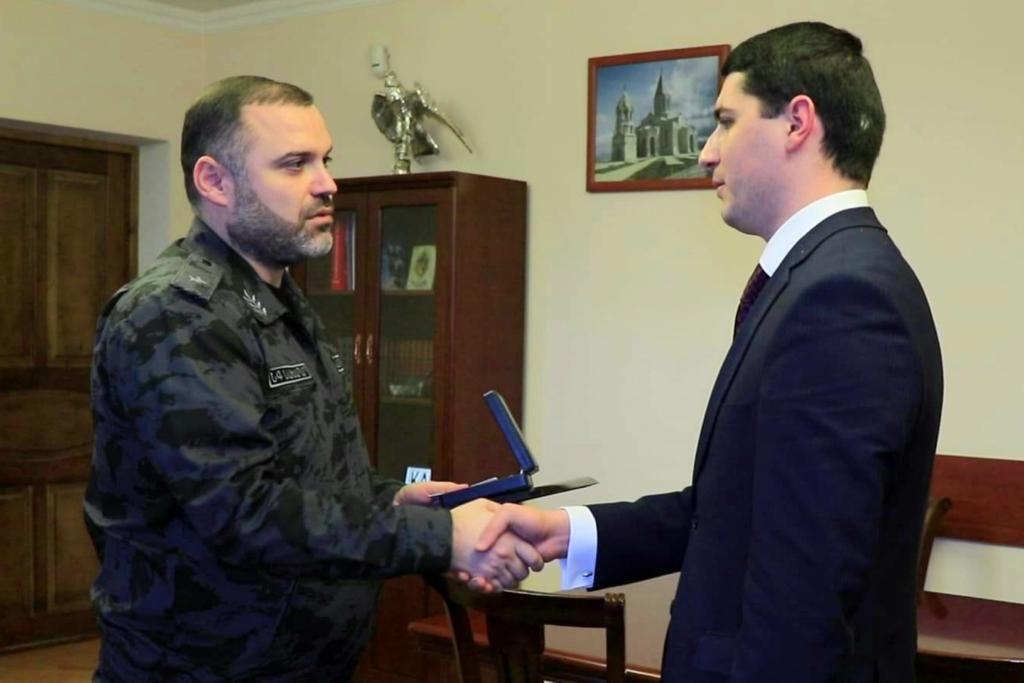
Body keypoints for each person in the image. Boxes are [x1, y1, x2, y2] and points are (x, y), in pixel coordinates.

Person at [475, 22, 943, 682]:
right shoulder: (820, 278)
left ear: (797, 122)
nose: (705, 153)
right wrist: (567, 531)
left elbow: (803, 601)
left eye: (725, 121)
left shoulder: (842, 298)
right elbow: (730, 511)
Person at [84, 75, 538, 682]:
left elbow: (305, 473)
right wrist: (442, 536)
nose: (327, 184)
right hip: (203, 667)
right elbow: (246, 513)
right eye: (295, 164)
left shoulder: (279, 298)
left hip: (298, 661)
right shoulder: (176, 313)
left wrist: (390, 499)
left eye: (326, 160)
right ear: (214, 181)